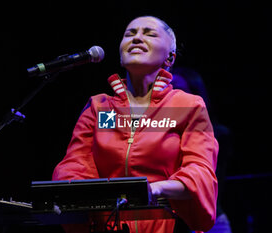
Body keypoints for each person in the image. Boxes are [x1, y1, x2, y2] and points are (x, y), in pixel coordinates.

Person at [52, 16, 218, 233]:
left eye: (149, 33)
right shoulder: (98, 107)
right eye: (129, 34)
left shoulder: (187, 105)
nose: (137, 38)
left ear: (170, 57)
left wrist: (155, 188)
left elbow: (200, 170)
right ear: (121, 56)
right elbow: (75, 166)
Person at [172, 67, 233, 233]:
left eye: (179, 89)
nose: (173, 95)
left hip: (209, 224)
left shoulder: (217, 133)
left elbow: (201, 179)